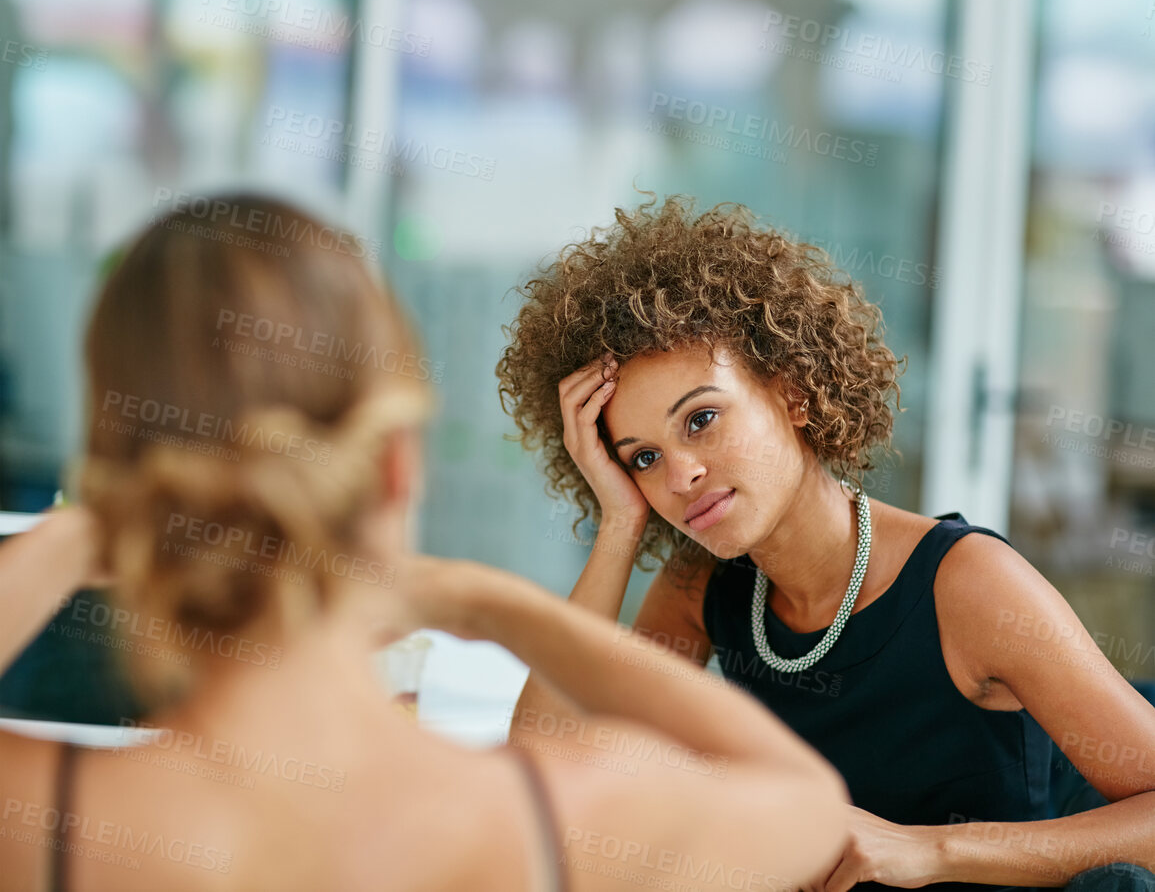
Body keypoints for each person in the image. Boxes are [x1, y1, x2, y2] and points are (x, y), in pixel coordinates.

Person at [0, 193, 848, 892]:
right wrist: (488, 601)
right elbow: (805, 799)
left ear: (127, 487)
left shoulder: (62, 821)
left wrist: (80, 531)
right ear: (397, 466)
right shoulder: (545, 820)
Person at [498, 196, 1155, 892]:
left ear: (794, 395)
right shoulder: (704, 586)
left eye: (701, 418)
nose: (680, 475)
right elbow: (550, 765)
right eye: (641, 457)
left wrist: (928, 850)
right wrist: (619, 524)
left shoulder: (968, 584)